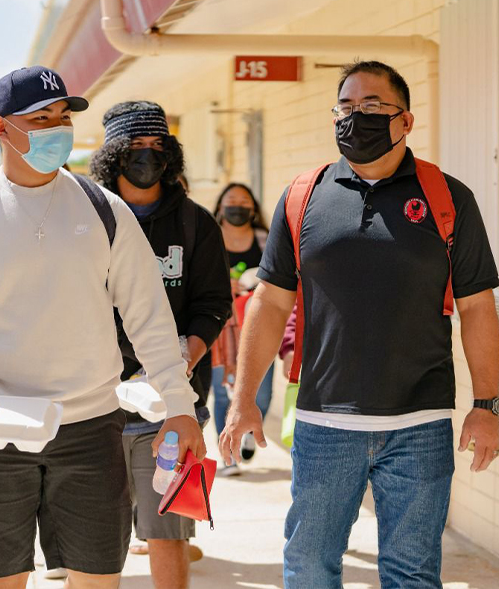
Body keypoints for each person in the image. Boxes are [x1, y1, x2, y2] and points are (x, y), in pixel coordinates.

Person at [0, 67, 206, 589]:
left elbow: (150, 317)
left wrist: (180, 406)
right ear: (0, 128)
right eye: (40, 119)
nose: (57, 129)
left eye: (63, 118)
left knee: (96, 578)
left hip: (90, 429)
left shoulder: (104, 211)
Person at [219, 60, 499, 588]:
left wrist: (488, 404)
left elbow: (479, 307)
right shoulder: (303, 196)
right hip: (326, 423)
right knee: (309, 569)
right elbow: (271, 301)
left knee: (413, 573)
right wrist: (243, 401)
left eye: (372, 107)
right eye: (345, 108)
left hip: (421, 423)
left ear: (406, 120)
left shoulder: (448, 198)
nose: (355, 118)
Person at [89, 101, 231, 589]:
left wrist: (178, 363)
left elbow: (212, 305)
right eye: (134, 147)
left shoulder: (195, 223)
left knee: (167, 530)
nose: (147, 155)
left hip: (173, 403)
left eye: (157, 145)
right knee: (94, 537)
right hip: (93, 402)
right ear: (112, 155)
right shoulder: (85, 218)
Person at [210, 182, 272, 476]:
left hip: (259, 327)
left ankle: (247, 431)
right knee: (224, 392)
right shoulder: (207, 236)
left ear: (253, 208)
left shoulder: (265, 240)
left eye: (244, 200)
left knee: (262, 392)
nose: (237, 205)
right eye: (231, 199)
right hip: (220, 328)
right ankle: (229, 457)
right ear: (220, 206)